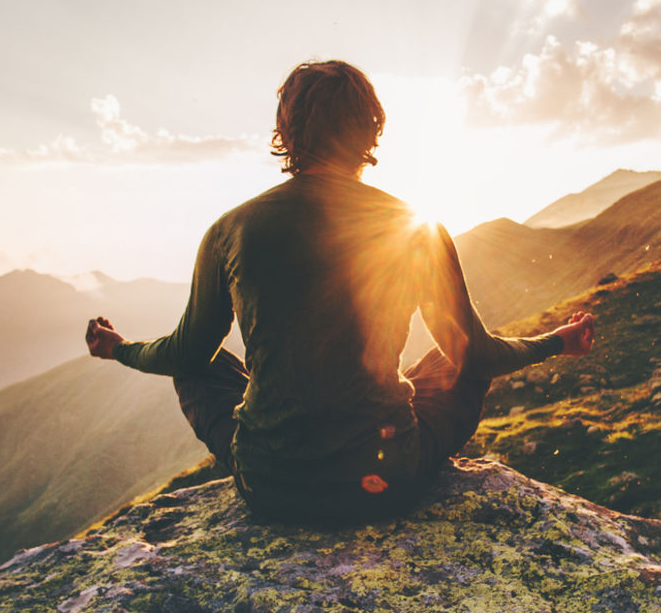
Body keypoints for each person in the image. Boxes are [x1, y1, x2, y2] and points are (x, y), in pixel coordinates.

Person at [86, 60, 595, 525]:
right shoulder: (415, 226)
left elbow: (183, 353)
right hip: (384, 483)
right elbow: (478, 355)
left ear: (286, 132)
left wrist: (119, 349)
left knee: (203, 363)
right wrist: (556, 341)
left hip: (271, 487)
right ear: (371, 128)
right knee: (453, 361)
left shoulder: (231, 229)